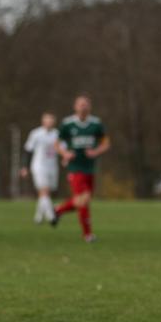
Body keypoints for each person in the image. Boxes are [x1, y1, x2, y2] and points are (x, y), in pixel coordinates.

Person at [52, 95, 110, 242]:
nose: (83, 107)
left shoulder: (96, 124)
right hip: (75, 167)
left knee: (83, 200)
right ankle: (87, 235)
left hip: (90, 167)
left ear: (90, 107)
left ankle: (58, 210)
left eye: (85, 104)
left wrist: (95, 152)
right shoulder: (68, 124)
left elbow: (106, 143)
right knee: (82, 200)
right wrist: (65, 153)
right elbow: (57, 144)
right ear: (75, 107)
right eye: (80, 104)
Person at [20, 112, 59, 224]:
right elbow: (28, 150)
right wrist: (24, 167)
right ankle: (51, 216)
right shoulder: (36, 134)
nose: (49, 122)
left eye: (51, 120)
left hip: (52, 166)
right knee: (44, 190)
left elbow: (63, 149)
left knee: (46, 193)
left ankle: (38, 217)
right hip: (39, 166)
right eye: (47, 119)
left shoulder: (57, 134)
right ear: (43, 121)